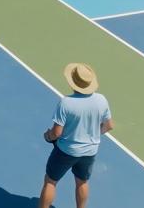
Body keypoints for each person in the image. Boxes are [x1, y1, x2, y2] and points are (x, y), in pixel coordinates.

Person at [38, 63, 113, 208]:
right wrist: (90, 136)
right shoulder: (101, 100)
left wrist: (48, 136)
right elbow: (109, 125)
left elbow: (56, 133)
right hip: (90, 152)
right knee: (82, 182)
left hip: (66, 151)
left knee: (50, 181)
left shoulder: (66, 103)